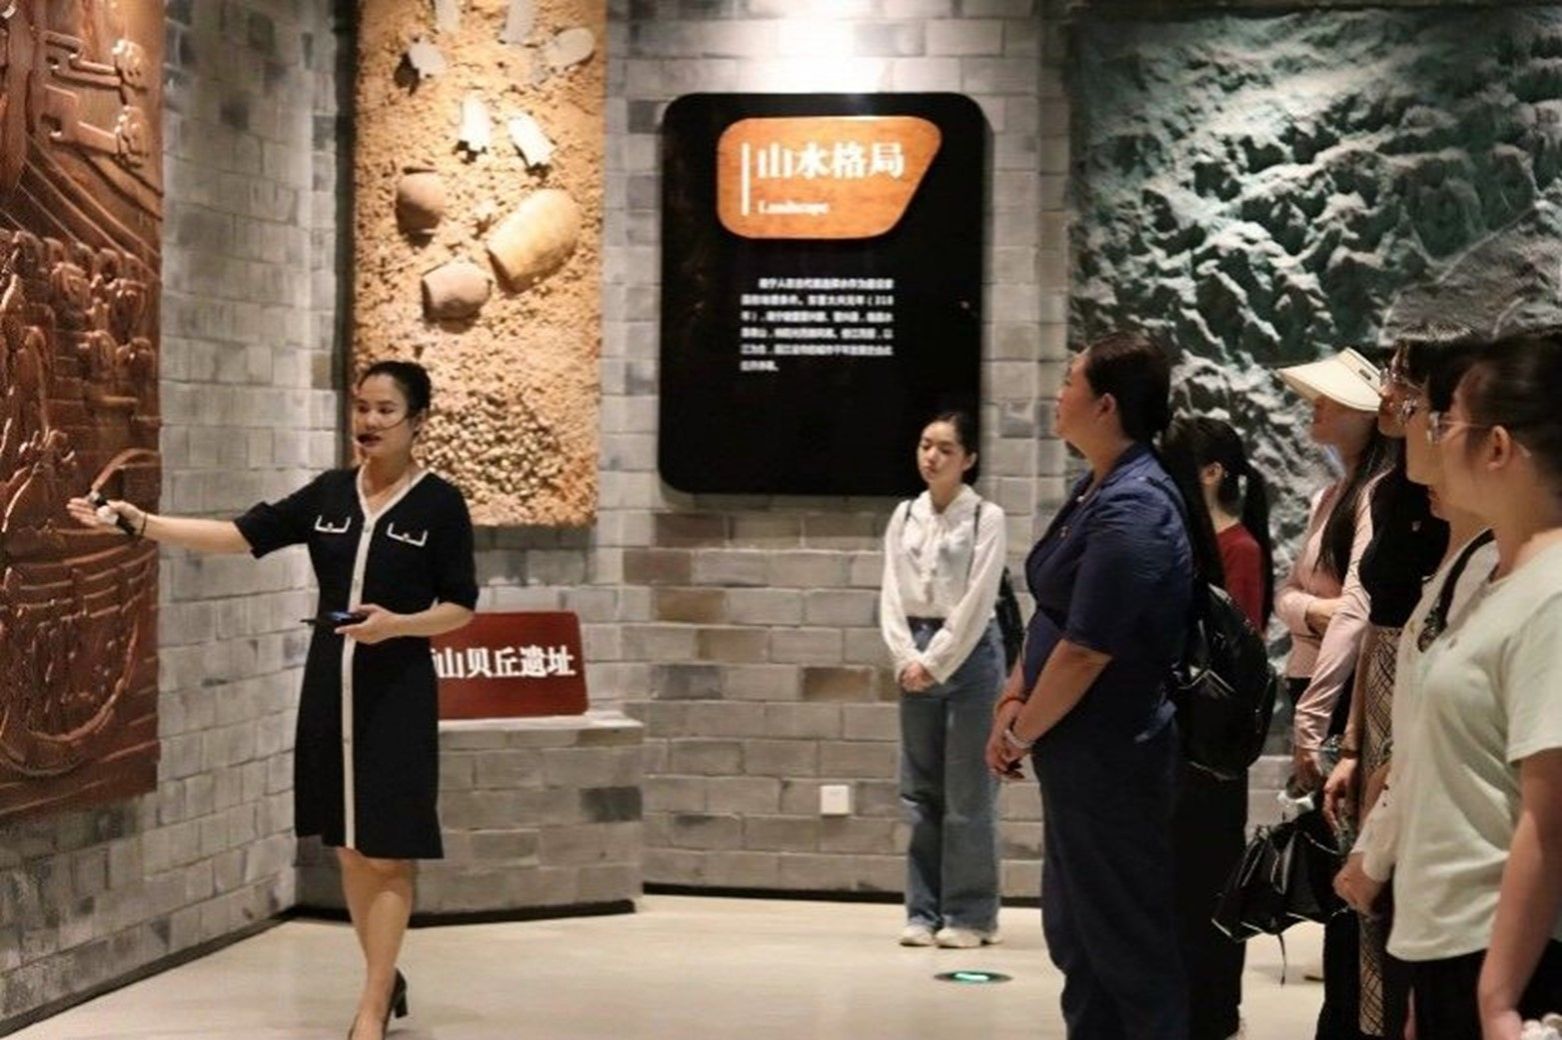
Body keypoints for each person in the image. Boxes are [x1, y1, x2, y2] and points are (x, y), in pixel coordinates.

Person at [69, 360, 477, 1040]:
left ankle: (373, 1003)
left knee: (386, 851)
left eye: (385, 411)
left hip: (396, 694)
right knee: (349, 848)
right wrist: (141, 524)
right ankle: (384, 974)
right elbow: (239, 535)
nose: (369, 422)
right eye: (362, 407)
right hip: (328, 688)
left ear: (418, 422)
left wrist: (398, 625)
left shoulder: (440, 505)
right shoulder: (329, 495)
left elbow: (460, 606)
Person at [1340, 331, 1562, 1039]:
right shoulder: (1496, 577)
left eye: (1445, 421)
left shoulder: (1552, 593)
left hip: (1506, 948)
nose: (1430, 436)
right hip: (1451, 940)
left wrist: (1497, 996)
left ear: (1497, 447)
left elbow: (1548, 815)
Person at [987, 330, 1196, 1039]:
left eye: (1069, 381)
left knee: (1125, 947)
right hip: (1074, 750)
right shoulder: (1097, 485)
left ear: (1106, 405)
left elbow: (1085, 649)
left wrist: (1020, 731)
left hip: (1113, 754)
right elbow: (1053, 612)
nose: (1057, 394)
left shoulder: (1137, 505)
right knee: (1078, 939)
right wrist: (1014, 695)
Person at [1321, 328, 1482, 1039]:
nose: (1390, 399)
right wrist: (1356, 744)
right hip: (1391, 703)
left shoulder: (1493, 557)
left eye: (1411, 395)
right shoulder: (1394, 496)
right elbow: (1380, 627)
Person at [1162, 415, 1274, 1040]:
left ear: (1209, 474)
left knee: (1207, 880)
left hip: (1212, 745)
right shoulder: (1207, 542)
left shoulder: (1239, 550)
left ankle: (1212, 1010)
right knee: (1185, 880)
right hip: (1192, 740)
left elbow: (1233, 651)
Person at [879, 410, 1007, 949]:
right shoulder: (904, 514)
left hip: (969, 655)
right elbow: (890, 592)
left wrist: (934, 661)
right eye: (925, 445)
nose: (931, 456)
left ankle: (971, 915)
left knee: (968, 793)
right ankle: (923, 910)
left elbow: (979, 601)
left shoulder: (986, 517)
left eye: (946, 449)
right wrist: (905, 655)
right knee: (920, 791)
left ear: (969, 459)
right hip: (914, 648)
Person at [1275, 347, 1396, 794]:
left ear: (1369, 413)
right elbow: (1285, 593)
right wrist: (1312, 611)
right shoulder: (1328, 498)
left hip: (1340, 696)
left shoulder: (1376, 494)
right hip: (1312, 683)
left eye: (1334, 396)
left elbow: (1355, 609)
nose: (1317, 402)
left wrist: (1312, 719)